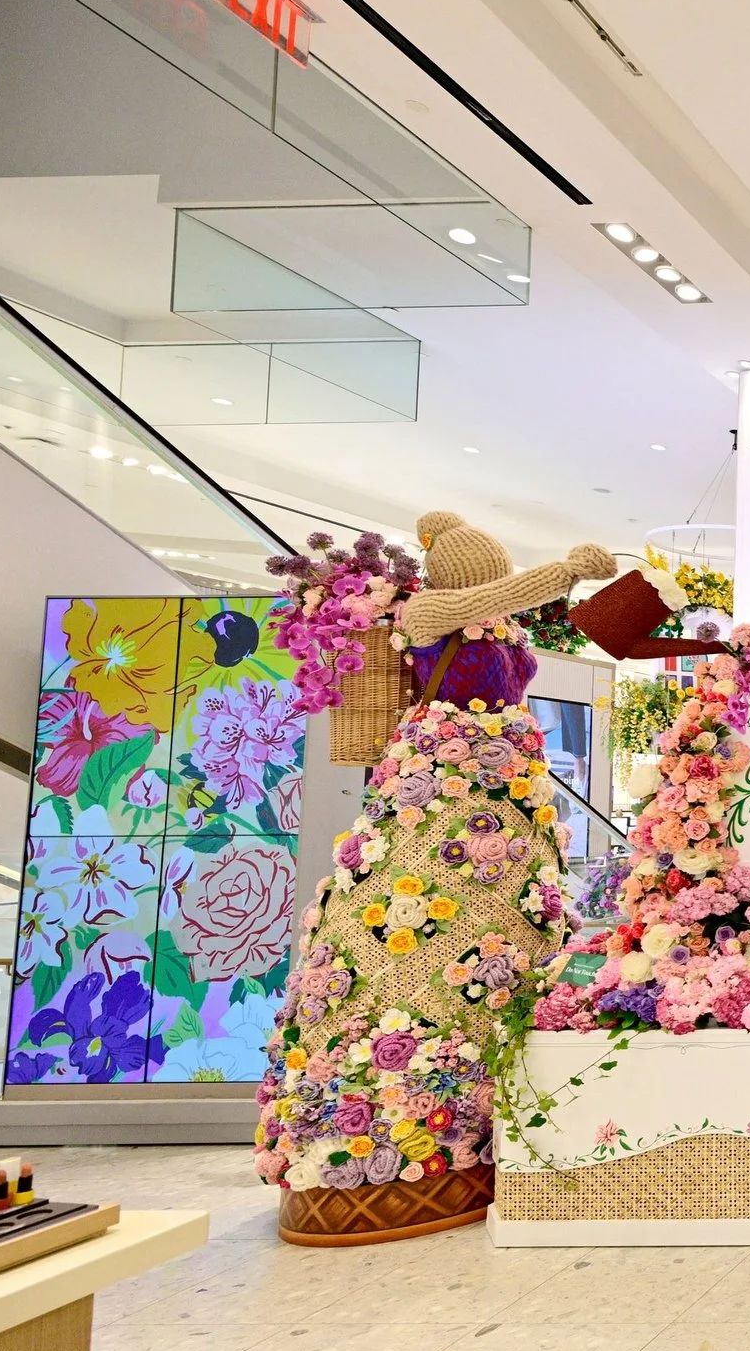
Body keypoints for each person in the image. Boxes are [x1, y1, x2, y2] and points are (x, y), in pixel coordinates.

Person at [255, 511, 615, 1243]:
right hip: (439, 788)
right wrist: (568, 568)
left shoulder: (497, 625)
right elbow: (492, 600)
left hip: (505, 794)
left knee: (500, 929)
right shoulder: (428, 613)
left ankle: (492, 1123)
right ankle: (389, 1134)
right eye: (487, 572)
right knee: (418, 936)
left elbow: (502, 611)